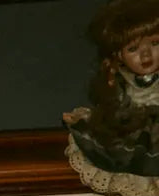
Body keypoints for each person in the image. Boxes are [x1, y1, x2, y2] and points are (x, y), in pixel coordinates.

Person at [66, 0, 159, 176]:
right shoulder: (119, 82)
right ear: (119, 55)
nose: (146, 55)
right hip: (136, 138)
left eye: (155, 43)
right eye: (133, 49)